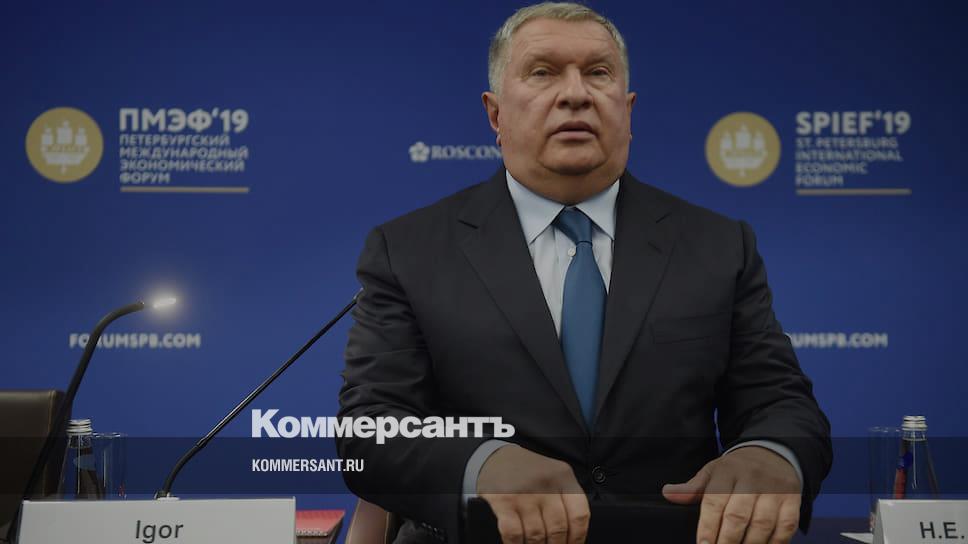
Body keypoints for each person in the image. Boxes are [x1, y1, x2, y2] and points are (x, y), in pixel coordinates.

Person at [337, 3, 832, 543]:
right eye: (542, 72)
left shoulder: (718, 245)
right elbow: (371, 430)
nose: (575, 94)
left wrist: (770, 453)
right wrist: (480, 464)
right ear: (495, 115)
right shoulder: (409, 250)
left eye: (598, 73)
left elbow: (779, 402)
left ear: (627, 109)